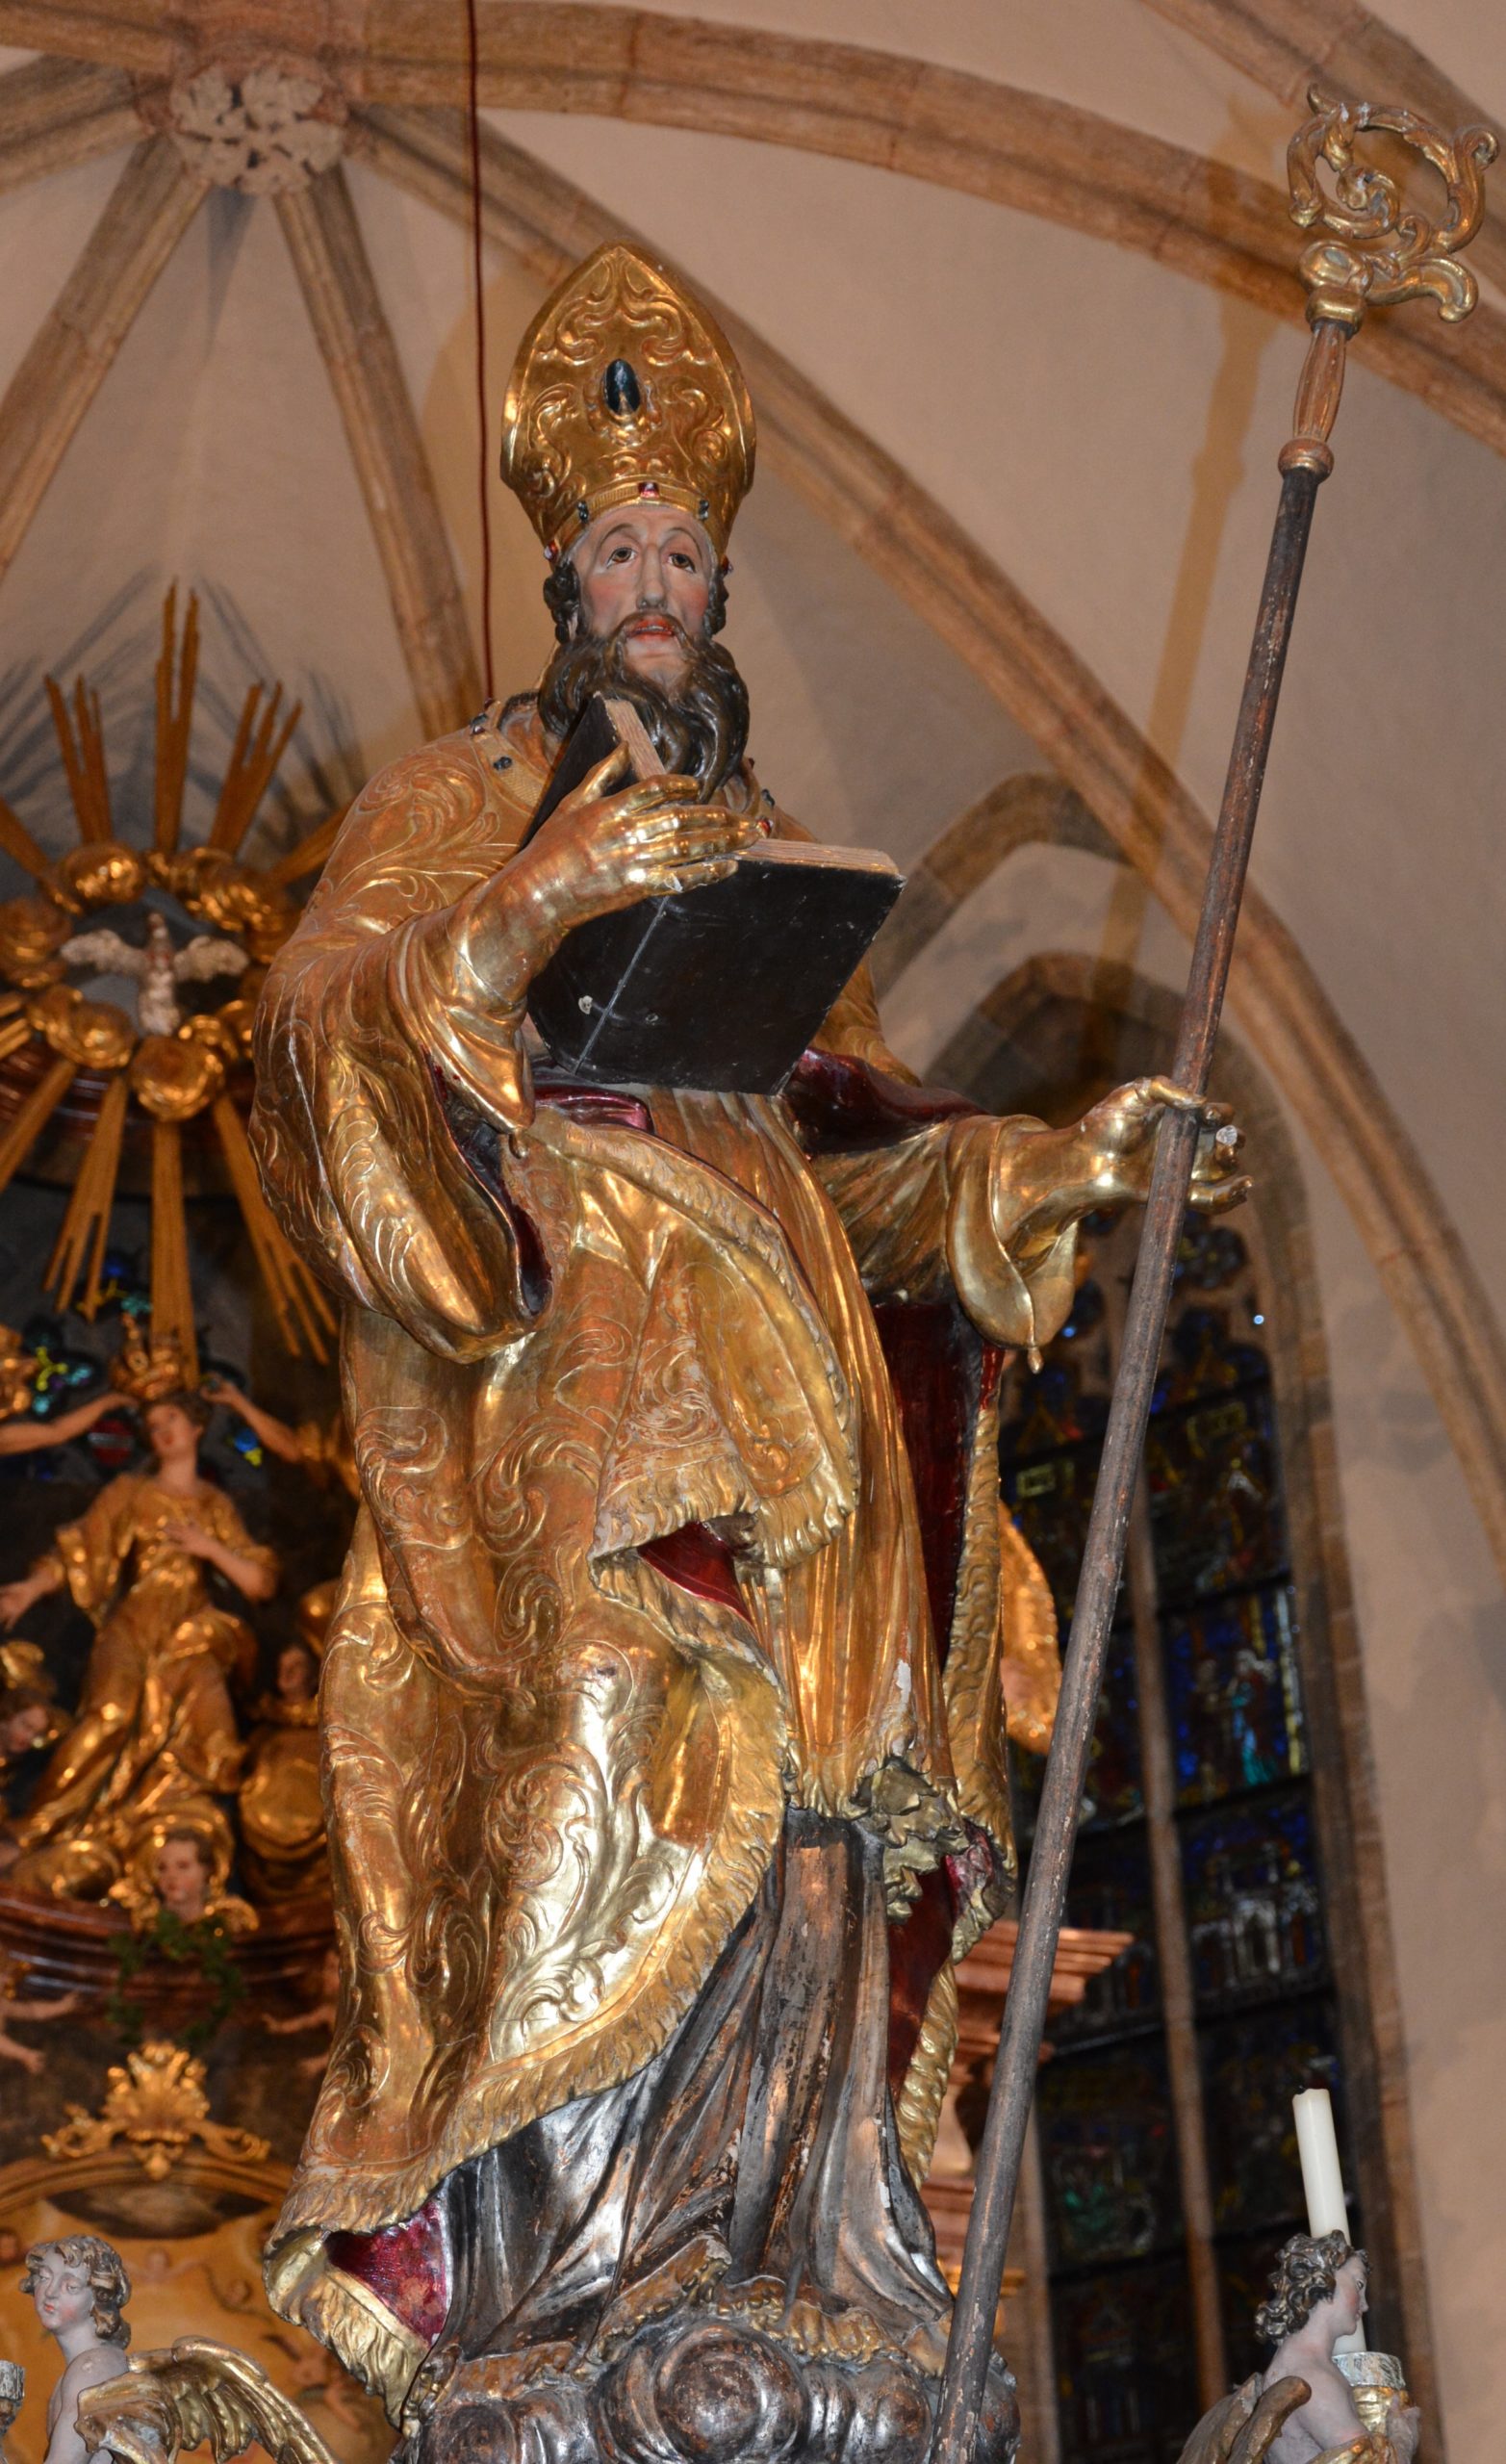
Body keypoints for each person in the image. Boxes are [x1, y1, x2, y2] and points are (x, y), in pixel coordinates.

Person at [250, 243, 1247, 2454]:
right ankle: (549, 2276)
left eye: (683, 554)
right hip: (578, 1417)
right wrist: (516, 917)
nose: (655, 585)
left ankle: (781, 2254)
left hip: (794, 1436)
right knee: (606, 1753)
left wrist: (1041, 1166)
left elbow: (850, 1165)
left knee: (809, 1839)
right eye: (618, 550)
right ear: (560, 579)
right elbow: (319, 1032)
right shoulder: (461, 792)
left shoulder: (761, 855)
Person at [0, 1391, 277, 1900]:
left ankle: (171, 1845)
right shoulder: (130, 1492)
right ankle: (30, 1834)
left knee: (211, 1736)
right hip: (132, 1626)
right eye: (152, 1424)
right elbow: (82, 1550)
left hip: (190, 1636)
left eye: (172, 1418)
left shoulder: (214, 1505)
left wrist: (208, 1548)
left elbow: (260, 1583)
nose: (162, 1430)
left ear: (197, 1428)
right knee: (109, 1715)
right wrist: (30, 1589)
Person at [1256, 2233, 1418, 2464]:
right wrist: (1403, 2436)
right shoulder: (1311, 2378)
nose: (1365, 2304)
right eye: (1358, 2285)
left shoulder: (1295, 2364)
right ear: (1323, 2279)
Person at [20, 2237, 130, 2464]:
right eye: (44, 2277)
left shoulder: (93, 2369)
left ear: (98, 2298)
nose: (50, 2292)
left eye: (71, 2287)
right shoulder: (86, 2367)